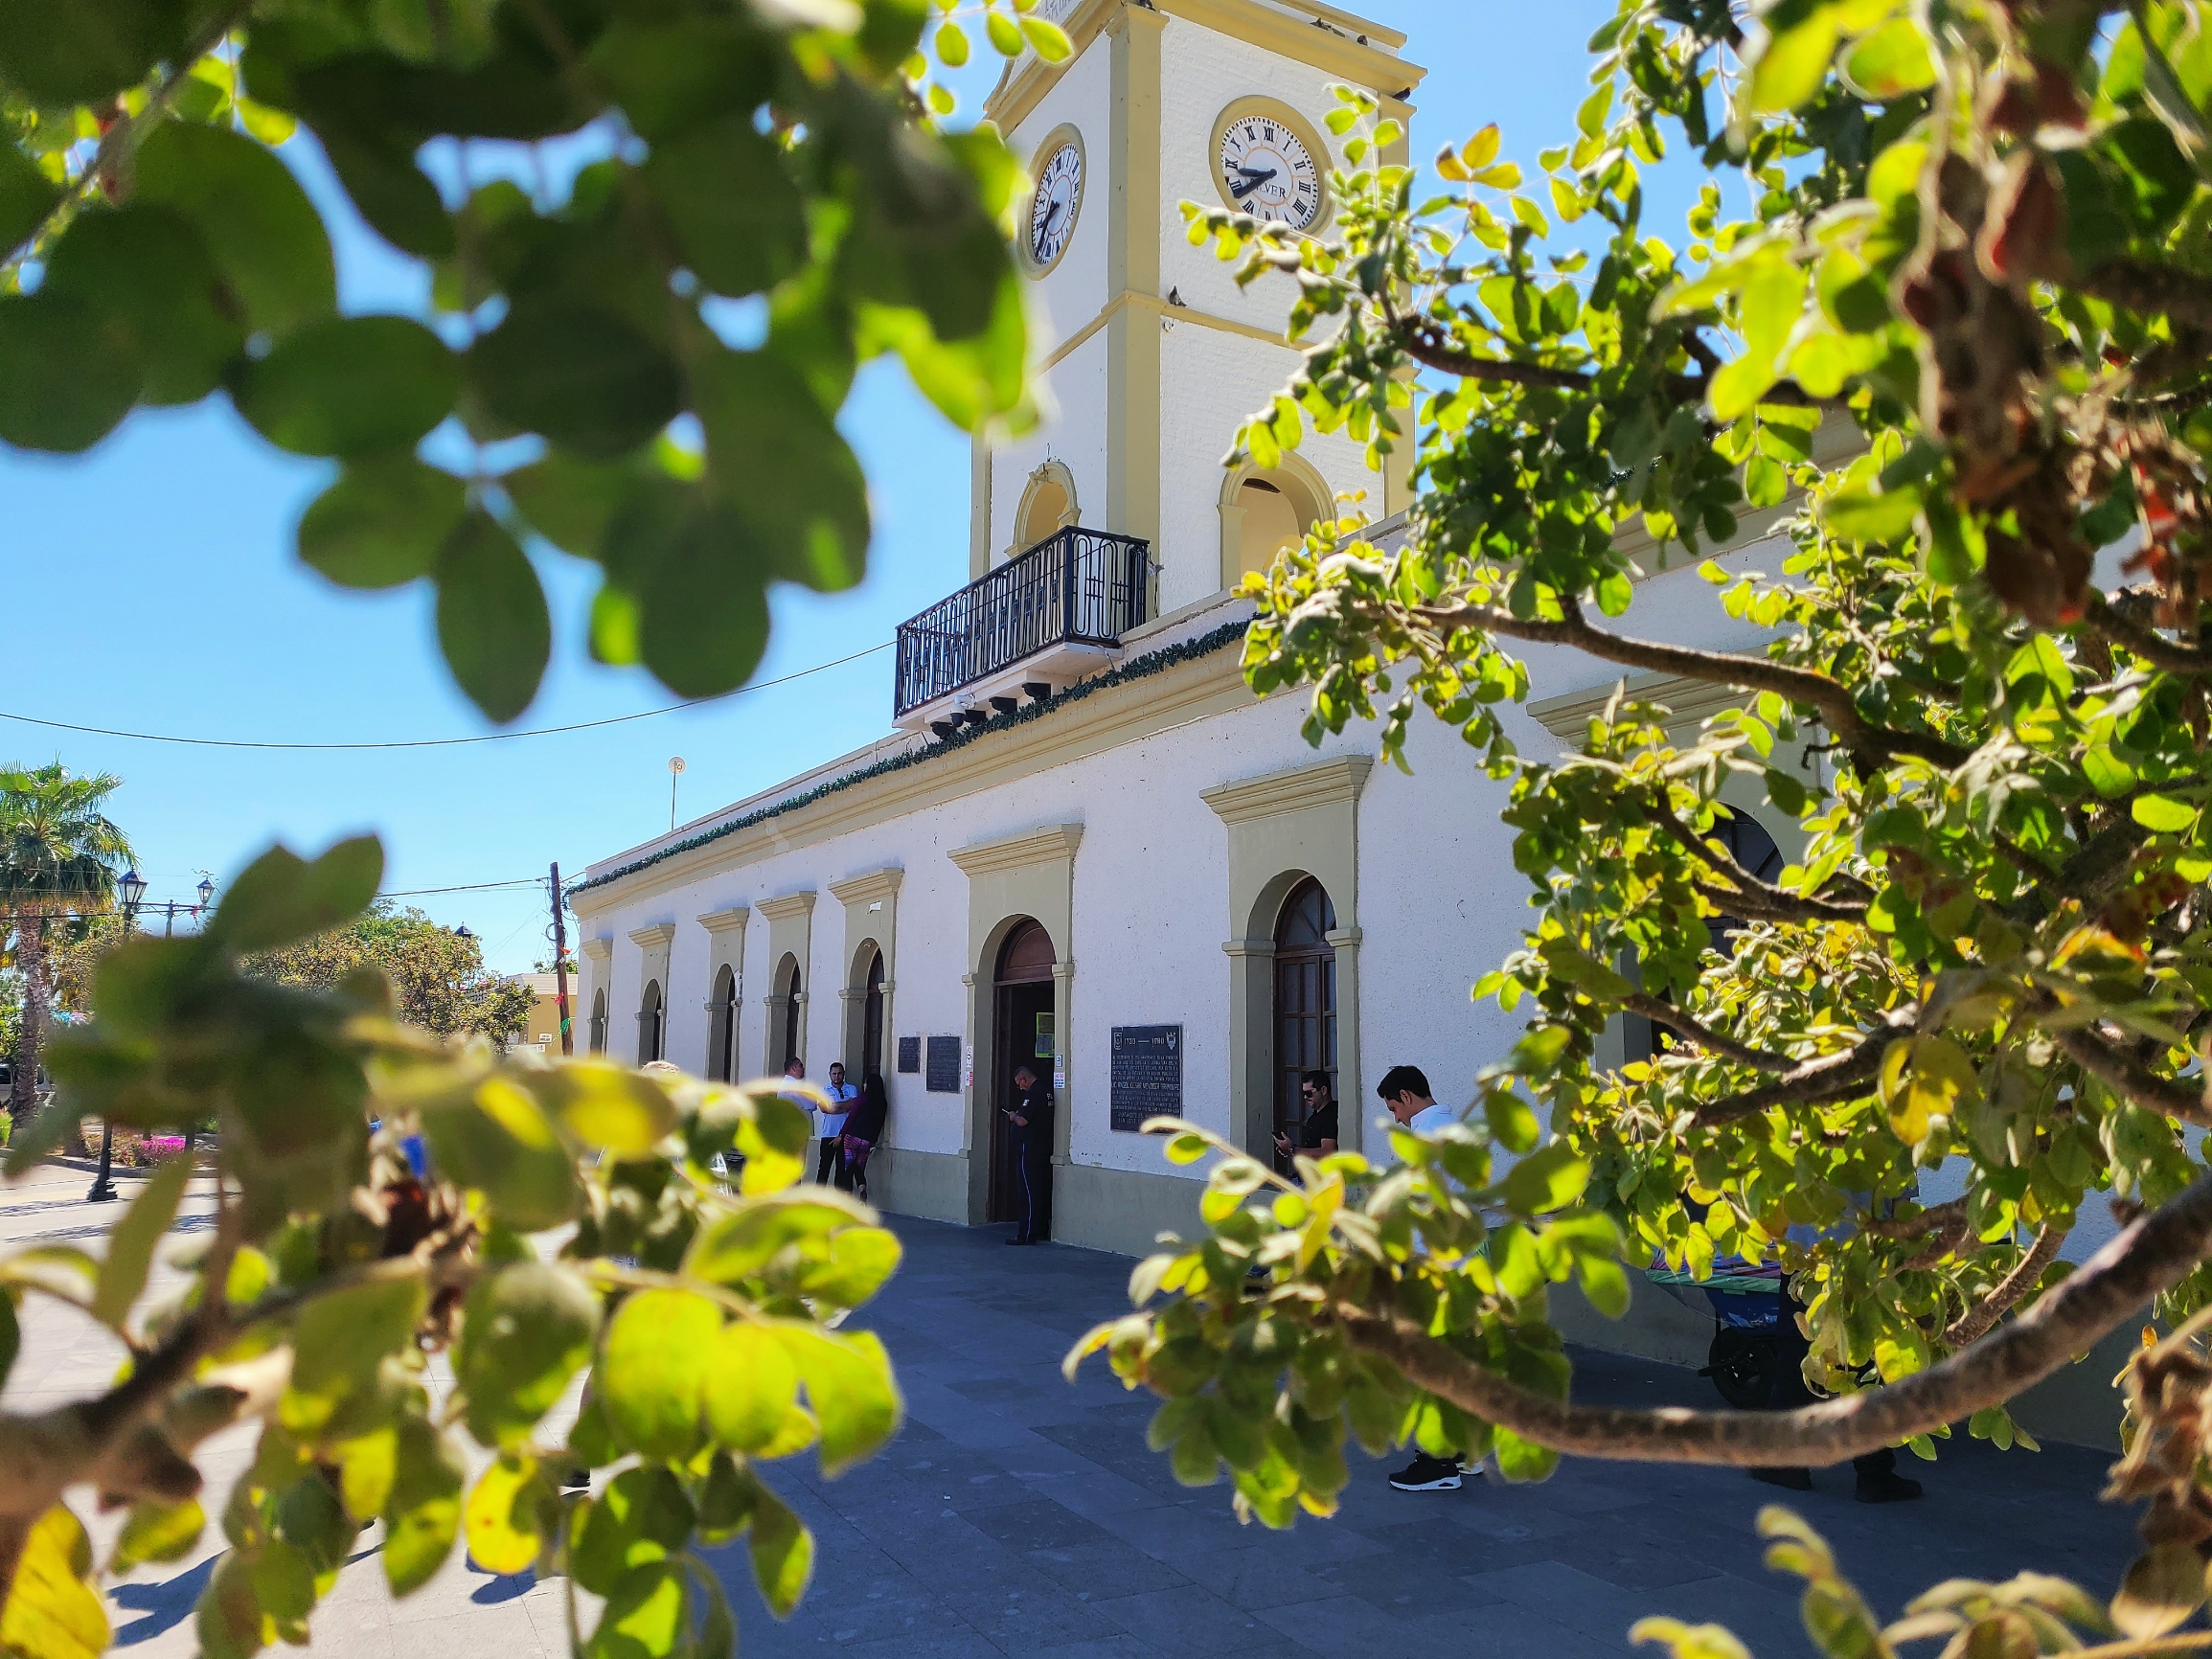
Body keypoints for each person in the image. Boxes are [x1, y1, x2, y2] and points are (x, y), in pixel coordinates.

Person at [1375, 1064, 1479, 1493]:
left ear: (1407, 1095)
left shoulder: (1423, 1135)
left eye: (1393, 1107)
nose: (1396, 1117)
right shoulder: (1457, 1128)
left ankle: (1437, 1463)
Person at [1005, 1061, 1053, 1245]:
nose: (1020, 1087)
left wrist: (1013, 1116)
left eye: (1020, 1083)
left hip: (1029, 1148)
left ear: (1024, 1078)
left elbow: (1023, 1120)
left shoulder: (1034, 1093)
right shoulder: (1046, 1090)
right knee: (1038, 1189)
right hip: (1041, 1146)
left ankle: (1026, 1234)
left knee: (1027, 1191)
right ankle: (1040, 1229)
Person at [1272, 1069, 1339, 1164]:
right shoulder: (1316, 1116)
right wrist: (1291, 1150)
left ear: (1323, 1090)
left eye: (1309, 1093)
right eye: (1304, 1093)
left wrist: (1293, 1149)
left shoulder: (1330, 1116)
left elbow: (1328, 1152)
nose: (1305, 1097)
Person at [842, 1071, 889, 1201]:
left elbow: (852, 1117)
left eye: (865, 1082)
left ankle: (847, 1200)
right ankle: (862, 1191)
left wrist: (842, 1133)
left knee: (849, 1169)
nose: (863, 1085)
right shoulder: (883, 1103)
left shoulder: (862, 1098)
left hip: (852, 1137)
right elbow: (879, 1123)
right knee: (859, 1168)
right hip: (867, 1140)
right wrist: (873, 1140)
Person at [818, 1060, 858, 1186]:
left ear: (843, 1074)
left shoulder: (851, 1089)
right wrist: (844, 1106)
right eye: (834, 1074)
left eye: (839, 1073)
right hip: (828, 1134)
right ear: (829, 1074)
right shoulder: (823, 1090)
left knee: (842, 1169)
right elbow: (824, 1108)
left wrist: (834, 1106)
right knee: (824, 1168)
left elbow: (852, 1106)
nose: (837, 1076)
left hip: (845, 1134)